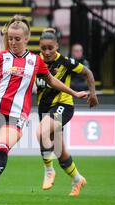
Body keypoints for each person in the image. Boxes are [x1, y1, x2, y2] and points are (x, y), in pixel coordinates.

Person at [0, 15, 88, 200]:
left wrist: (74, 93)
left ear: (26, 39)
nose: (13, 42)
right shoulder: (0, 57)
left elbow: (52, 81)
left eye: (17, 39)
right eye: (10, 38)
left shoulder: (35, 61)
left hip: (17, 116)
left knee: (3, 147)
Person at [36, 29, 98, 196]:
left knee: (41, 132)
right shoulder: (34, 62)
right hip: (44, 109)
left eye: (51, 48)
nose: (47, 52)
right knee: (59, 150)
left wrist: (93, 93)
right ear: (39, 47)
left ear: (57, 46)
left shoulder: (66, 62)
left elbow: (88, 73)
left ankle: (49, 171)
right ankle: (78, 179)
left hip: (63, 105)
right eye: (43, 48)